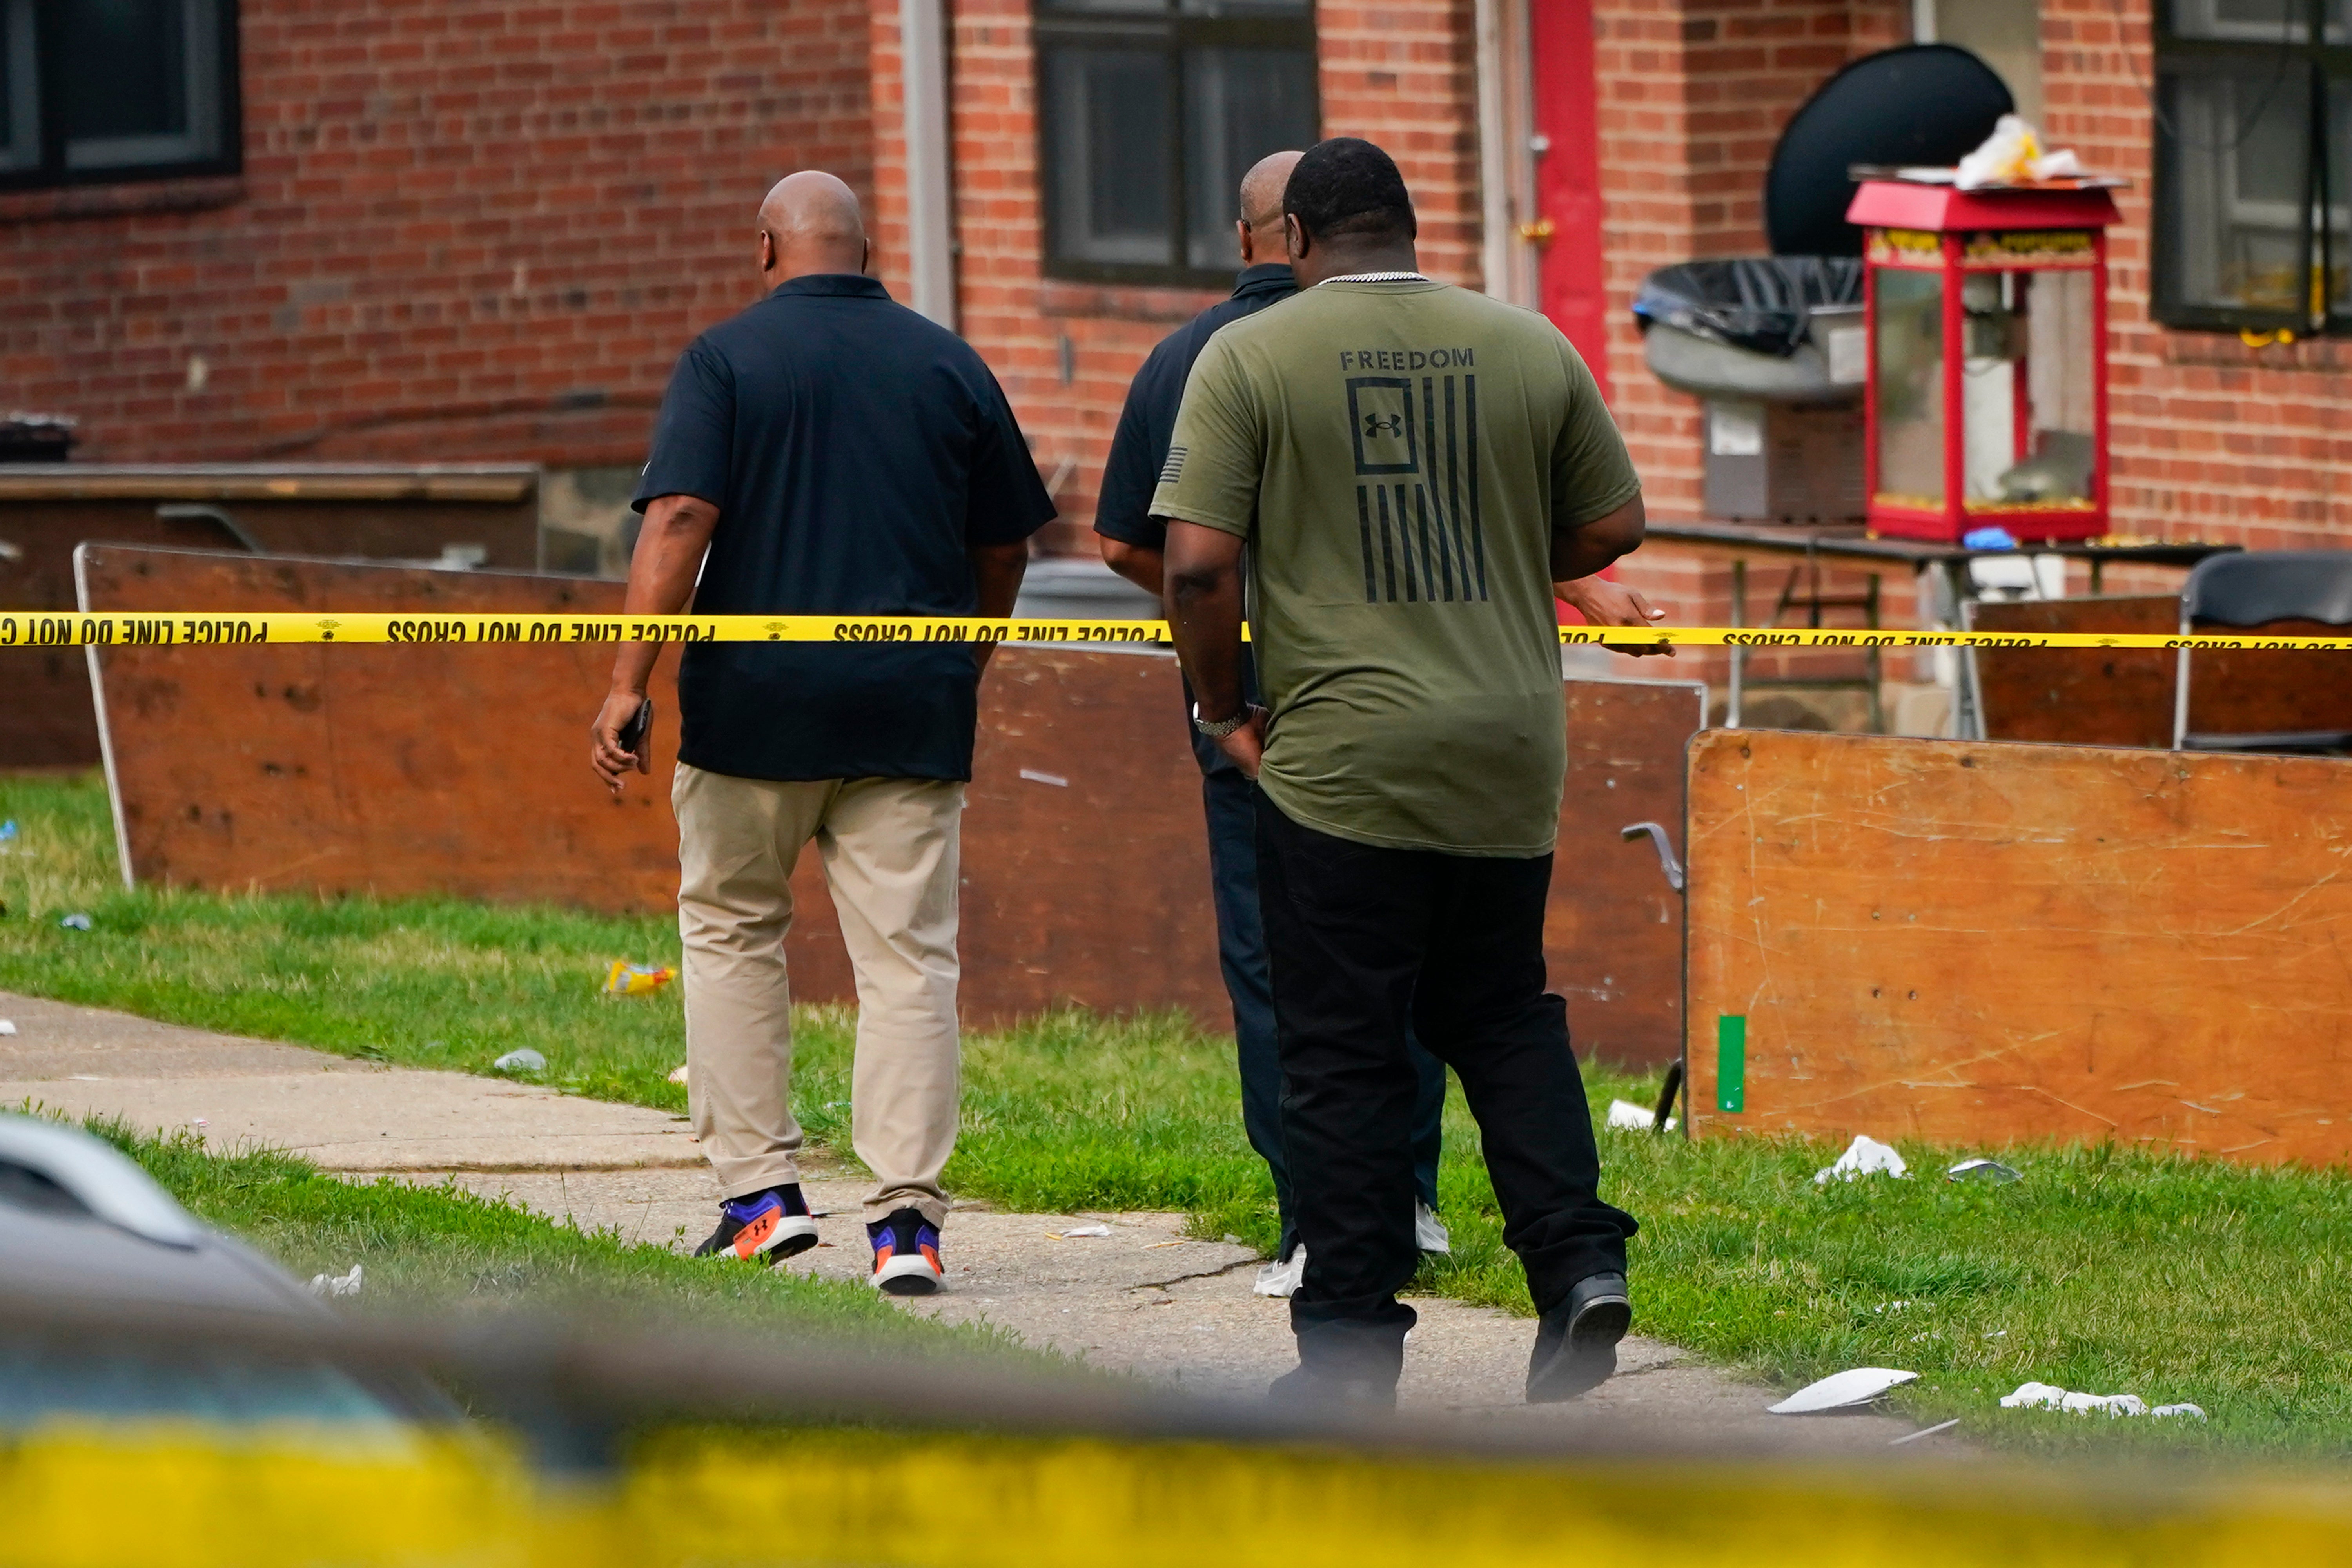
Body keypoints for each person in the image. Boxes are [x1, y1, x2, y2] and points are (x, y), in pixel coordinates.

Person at [1097, 152, 1667, 1298]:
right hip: (1509, 750)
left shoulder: (1244, 355)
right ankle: (1579, 1261)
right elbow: (1613, 520)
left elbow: (1197, 570)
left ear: (1293, 237)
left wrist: (1223, 711)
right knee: (1504, 1012)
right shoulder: (1529, 342)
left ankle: (1351, 1322)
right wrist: (1510, 555)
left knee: (1341, 1038)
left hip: (1339, 757)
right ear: (1410, 230)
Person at [591, 171, 1054, 1295]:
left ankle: (760, 1198)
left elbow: (683, 516)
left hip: (755, 713)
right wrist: (963, 655)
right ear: (864, 249)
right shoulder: (950, 363)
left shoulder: (724, 362)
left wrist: (626, 682)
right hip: (910, 709)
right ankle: (907, 1225)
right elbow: (1007, 548)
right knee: (907, 965)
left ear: (766, 248)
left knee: (735, 930)